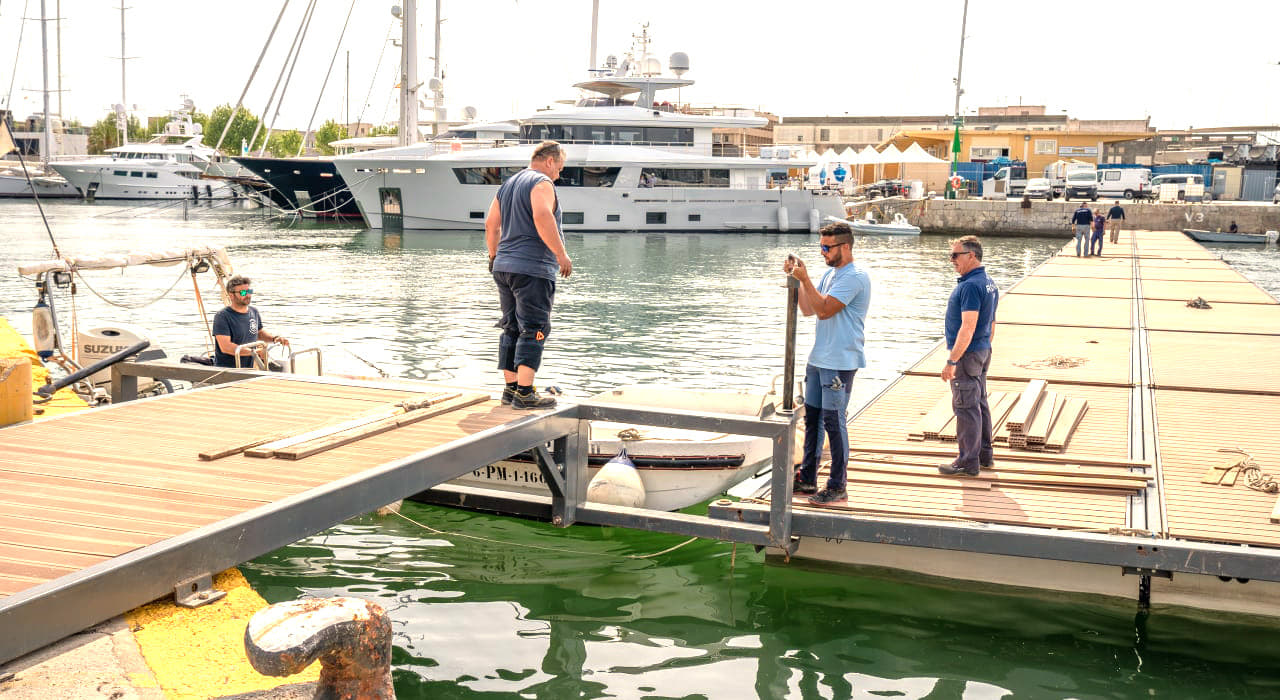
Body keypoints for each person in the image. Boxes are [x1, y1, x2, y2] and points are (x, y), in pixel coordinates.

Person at [781, 221, 872, 505]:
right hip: (819, 359)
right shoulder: (829, 275)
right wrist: (797, 280)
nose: (823, 252)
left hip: (840, 361)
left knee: (834, 421)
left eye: (827, 247)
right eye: (821, 247)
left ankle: (837, 485)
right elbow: (808, 309)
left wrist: (806, 279)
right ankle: (808, 477)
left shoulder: (855, 277)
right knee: (813, 420)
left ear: (845, 247)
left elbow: (824, 311)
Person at [485, 140, 573, 410]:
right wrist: (561, 254)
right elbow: (542, 216)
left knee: (511, 326)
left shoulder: (508, 185)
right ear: (550, 161)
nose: (559, 174)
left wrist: (493, 256)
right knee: (535, 328)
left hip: (504, 266)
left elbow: (491, 224)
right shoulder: (542, 183)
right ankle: (525, 393)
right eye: (559, 167)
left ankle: (510, 390)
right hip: (532, 267)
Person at [938, 236, 999, 477]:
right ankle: (984, 456)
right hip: (982, 350)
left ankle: (967, 462)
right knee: (979, 402)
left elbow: (968, 326)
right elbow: (992, 323)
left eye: (955, 255)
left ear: (971, 255)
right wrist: (984, 347)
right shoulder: (988, 282)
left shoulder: (970, 286)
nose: (951, 260)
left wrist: (952, 361)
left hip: (968, 354)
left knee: (965, 407)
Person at [212, 275, 289, 368]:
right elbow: (226, 347)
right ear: (231, 295)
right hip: (228, 370)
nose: (248, 295)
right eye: (243, 292)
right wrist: (254, 352)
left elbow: (259, 333)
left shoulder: (254, 312)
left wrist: (274, 339)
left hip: (249, 368)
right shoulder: (222, 316)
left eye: (249, 291)